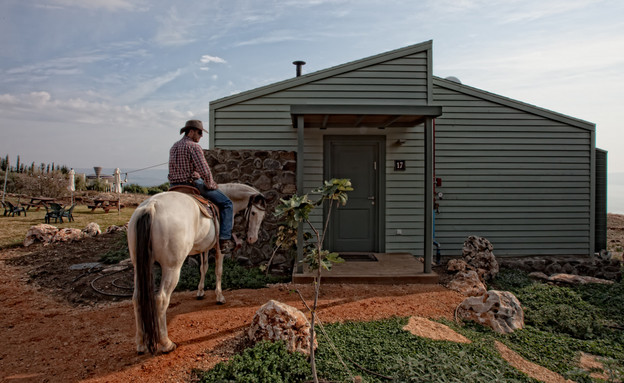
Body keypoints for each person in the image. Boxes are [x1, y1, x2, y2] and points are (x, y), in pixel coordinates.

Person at [168, 120, 237, 250]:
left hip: (174, 185)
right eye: (199, 132)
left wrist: (194, 174)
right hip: (191, 185)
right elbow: (204, 169)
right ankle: (224, 239)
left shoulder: (174, 146)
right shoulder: (193, 146)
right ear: (191, 131)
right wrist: (210, 183)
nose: (201, 136)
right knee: (227, 204)